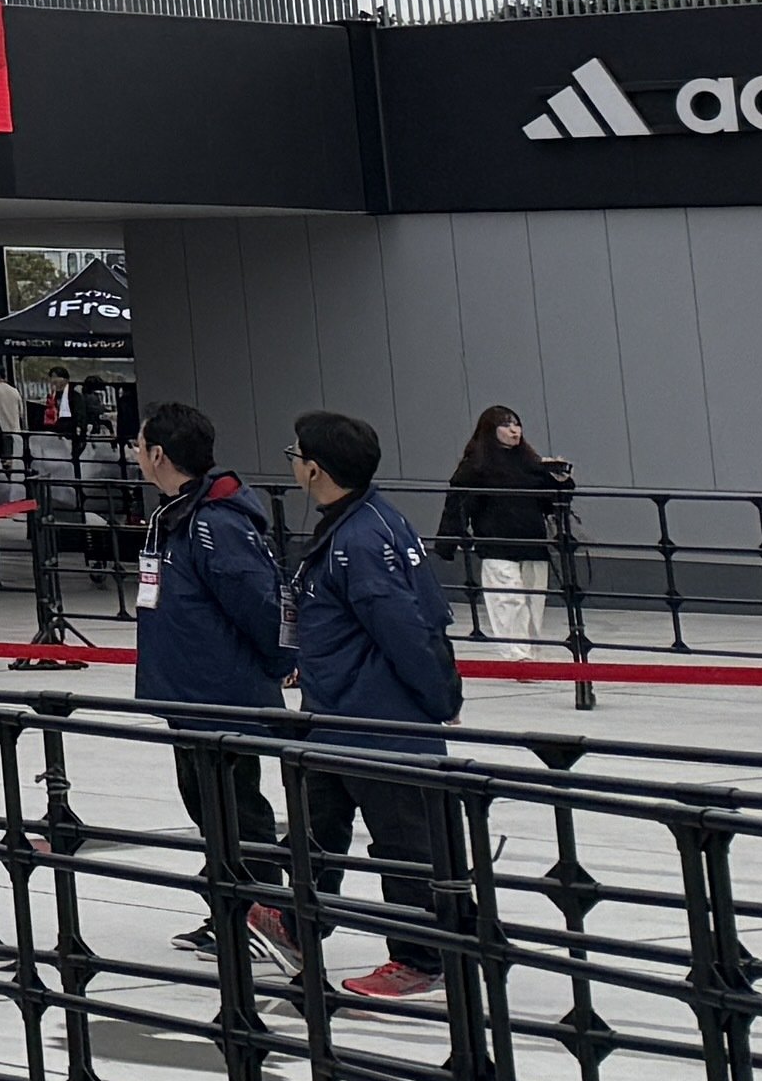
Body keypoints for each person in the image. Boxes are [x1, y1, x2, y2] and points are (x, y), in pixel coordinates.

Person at [287, 410, 471, 1008]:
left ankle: (422, 956)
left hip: (377, 717)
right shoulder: (364, 521)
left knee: (405, 839)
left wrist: (440, 695)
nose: (293, 464)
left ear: (315, 469)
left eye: (296, 454)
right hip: (334, 712)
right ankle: (296, 924)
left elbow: (407, 626)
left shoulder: (361, 539)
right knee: (317, 825)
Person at [127, 403, 301, 980]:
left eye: (139, 445)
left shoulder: (214, 522)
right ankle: (230, 908)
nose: (135, 453)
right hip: (187, 691)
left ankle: (264, 914)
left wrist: (283, 660)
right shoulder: (176, 514)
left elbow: (259, 601)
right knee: (207, 805)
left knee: (237, 807)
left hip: (222, 693)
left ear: (158, 454)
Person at [433, 405, 574, 650]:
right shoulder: (476, 466)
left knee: (532, 608)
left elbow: (552, 502)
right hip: (496, 546)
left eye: (516, 424)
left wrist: (562, 481)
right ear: (491, 430)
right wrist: (447, 542)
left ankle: (530, 656)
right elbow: (457, 504)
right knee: (509, 604)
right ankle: (517, 658)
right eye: (506, 425)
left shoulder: (531, 463)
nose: (514, 430)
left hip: (533, 545)